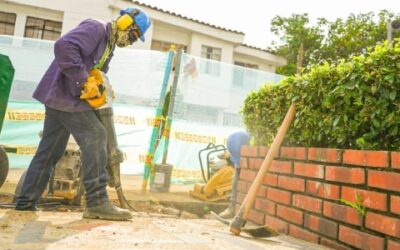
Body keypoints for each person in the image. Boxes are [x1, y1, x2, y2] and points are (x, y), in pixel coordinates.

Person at [15, 7, 151, 221]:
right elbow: (64, 46)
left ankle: (25, 202)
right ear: (125, 23)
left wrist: (100, 86)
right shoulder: (96, 29)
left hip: (61, 100)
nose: (131, 41)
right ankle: (97, 202)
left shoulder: (109, 46)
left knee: (50, 151)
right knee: (96, 136)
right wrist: (83, 79)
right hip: (66, 98)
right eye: (133, 35)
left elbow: (95, 73)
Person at [219, 131, 251, 219]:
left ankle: (233, 209)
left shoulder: (245, 141)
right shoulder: (234, 142)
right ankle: (232, 208)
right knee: (235, 181)